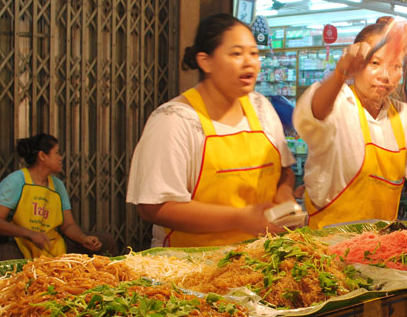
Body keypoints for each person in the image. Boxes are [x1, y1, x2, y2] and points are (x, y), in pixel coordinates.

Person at [126, 13, 296, 247]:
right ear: (206, 62)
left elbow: (284, 172)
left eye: (254, 53)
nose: (249, 62)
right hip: (191, 266)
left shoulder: (261, 109)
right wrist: (239, 218)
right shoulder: (174, 120)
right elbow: (154, 208)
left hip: (260, 258)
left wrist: (284, 197)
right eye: (236, 53)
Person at [293, 17, 407, 229]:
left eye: (396, 65)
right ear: (355, 65)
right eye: (375, 63)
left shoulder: (402, 116)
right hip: (326, 246)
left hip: (380, 247)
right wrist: (340, 73)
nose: (385, 76)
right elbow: (315, 112)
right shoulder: (339, 103)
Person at [0, 133, 117, 262]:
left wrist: (84, 239)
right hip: (17, 243)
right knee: (6, 257)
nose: (61, 158)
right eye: (57, 153)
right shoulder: (16, 180)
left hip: (50, 243)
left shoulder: (57, 185)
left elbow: (68, 225)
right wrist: (30, 234)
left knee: (105, 240)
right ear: (42, 156)